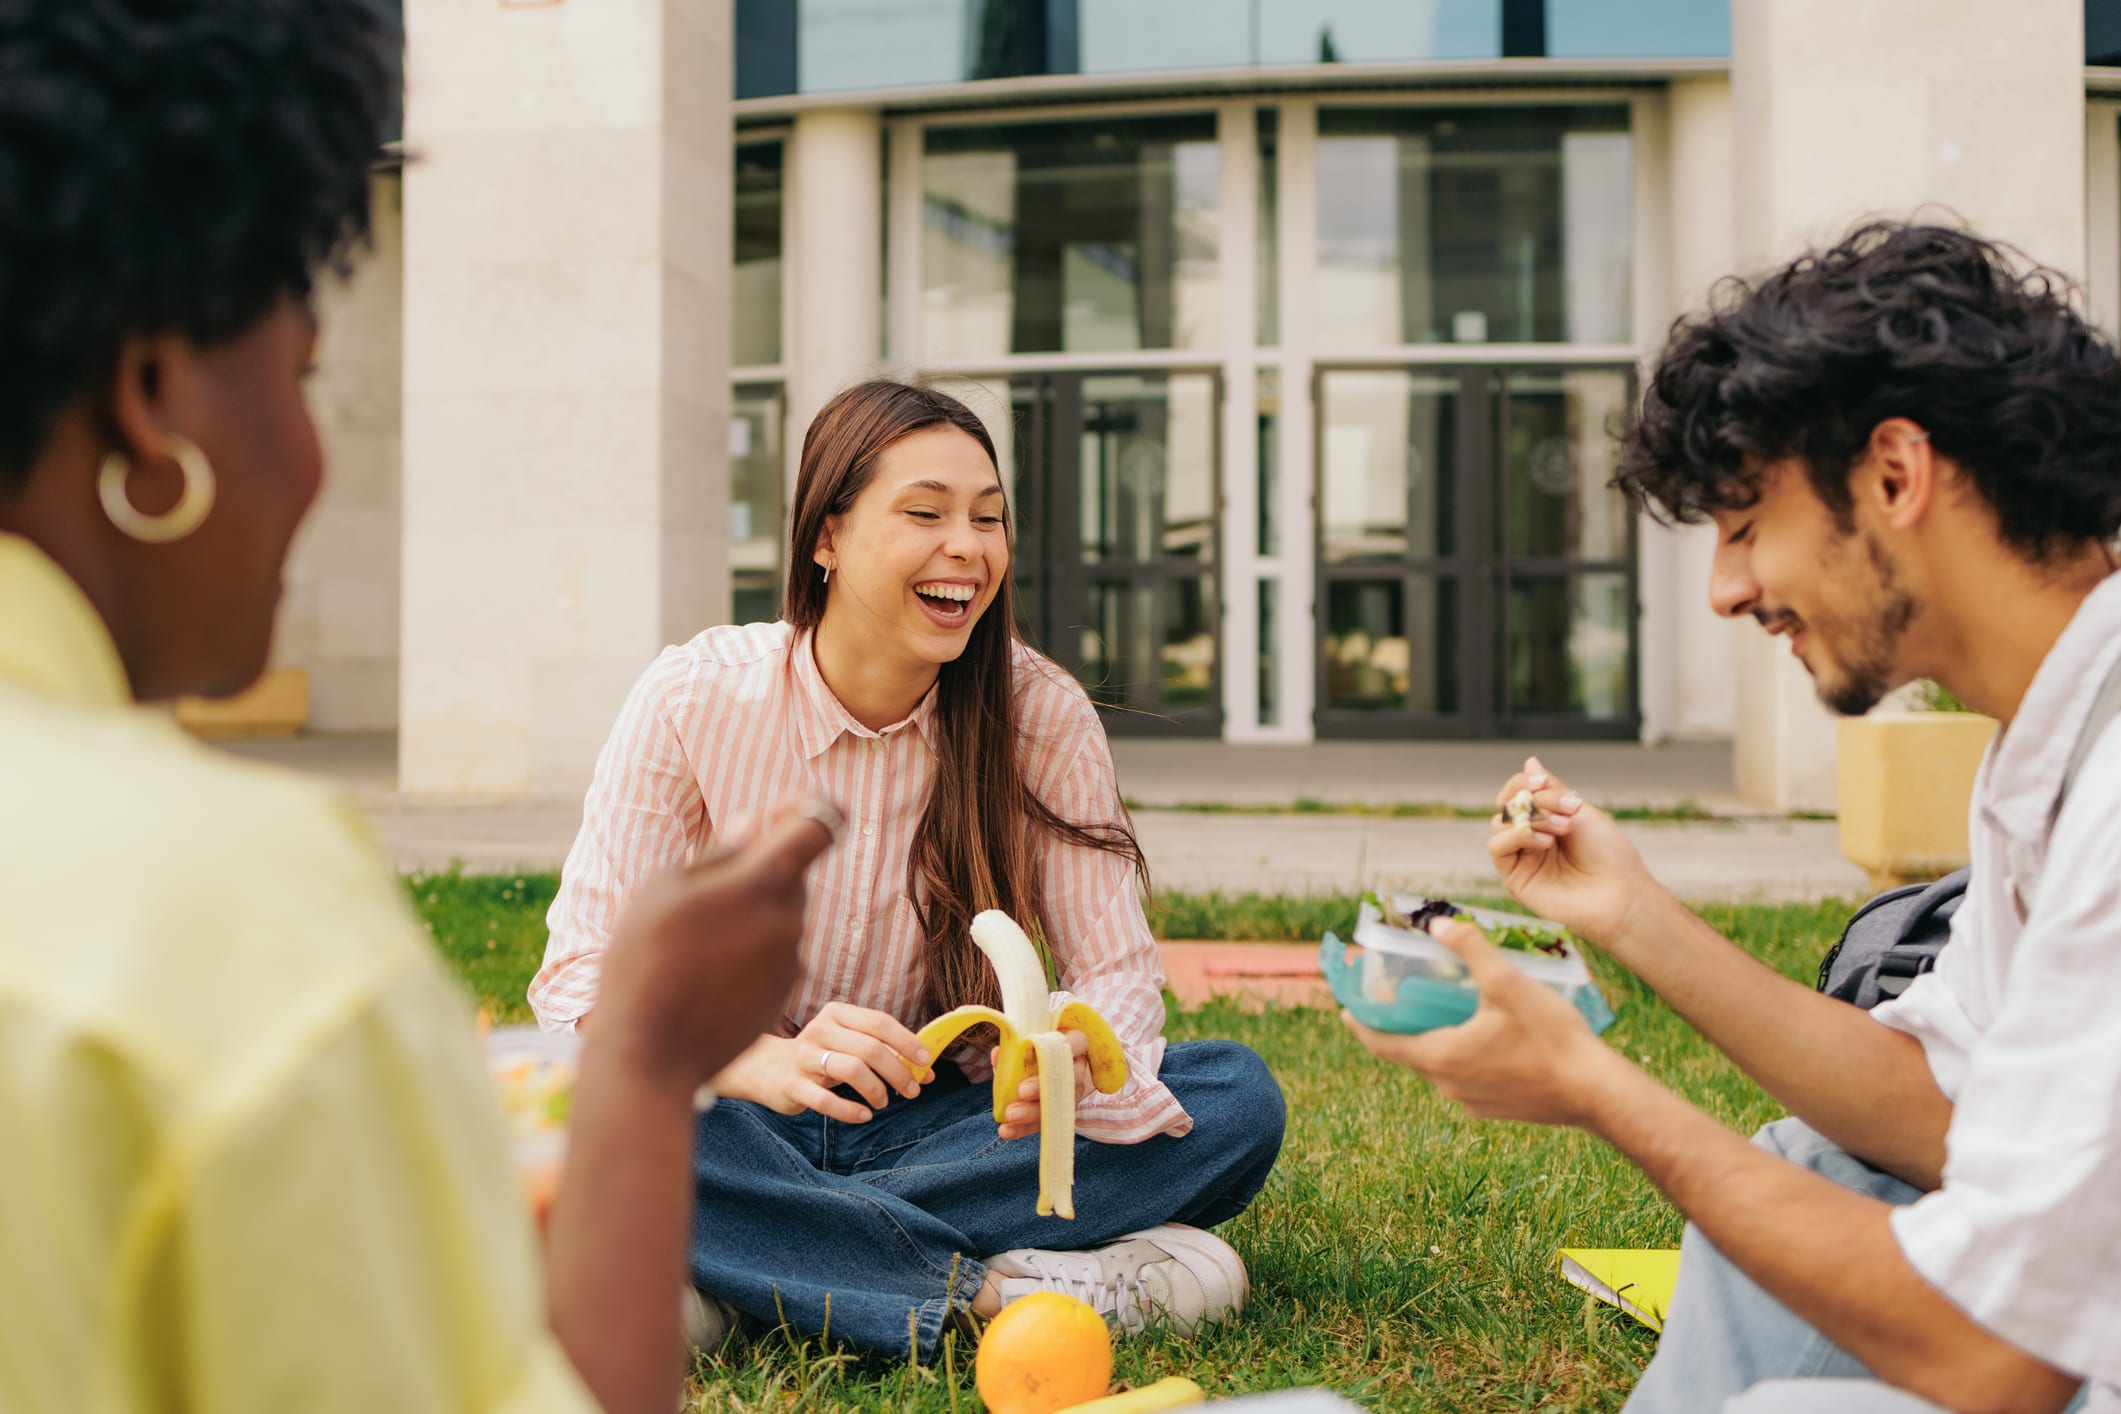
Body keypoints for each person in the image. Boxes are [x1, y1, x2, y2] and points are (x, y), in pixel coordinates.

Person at [0, 4, 833, 1411]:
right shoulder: (238, 916)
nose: (318, 458)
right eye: (303, 374)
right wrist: (646, 1052)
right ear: (154, 400)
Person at [1347, 223, 2120, 1414]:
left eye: (1748, 527)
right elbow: (1937, 1112)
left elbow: (1994, 1355)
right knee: (1813, 1166)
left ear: (1897, 476)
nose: (1725, 590)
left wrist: (1600, 1089)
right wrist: (1635, 915)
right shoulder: (2048, 737)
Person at [532, 379, 1287, 1361]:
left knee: (1234, 1095)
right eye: (925, 513)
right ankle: (992, 1293)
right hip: (741, 1116)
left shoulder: (1040, 713)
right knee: (598, 1107)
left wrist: (1069, 1077)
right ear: (827, 537)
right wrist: (758, 1059)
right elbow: (576, 992)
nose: (967, 547)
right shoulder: (693, 698)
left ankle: (746, 1273)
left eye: (989, 518)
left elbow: (1117, 978)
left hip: (944, 1127)